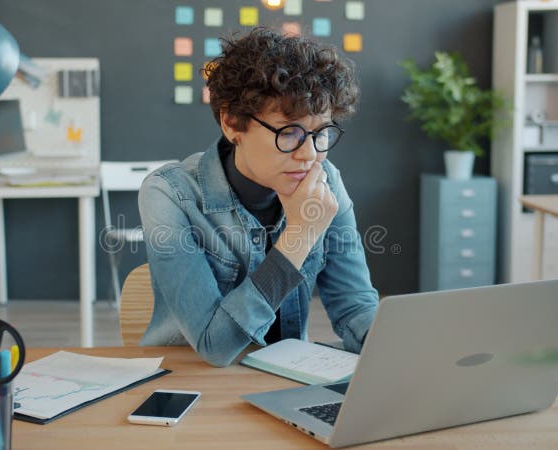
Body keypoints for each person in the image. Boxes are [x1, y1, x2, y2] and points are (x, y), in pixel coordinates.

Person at [138, 27, 379, 367]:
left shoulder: (326, 182)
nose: (310, 154)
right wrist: (300, 235)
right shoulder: (170, 193)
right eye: (290, 132)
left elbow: (354, 305)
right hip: (189, 380)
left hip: (283, 378)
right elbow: (216, 346)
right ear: (232, 123)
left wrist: (393, 347)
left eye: (321, 132)